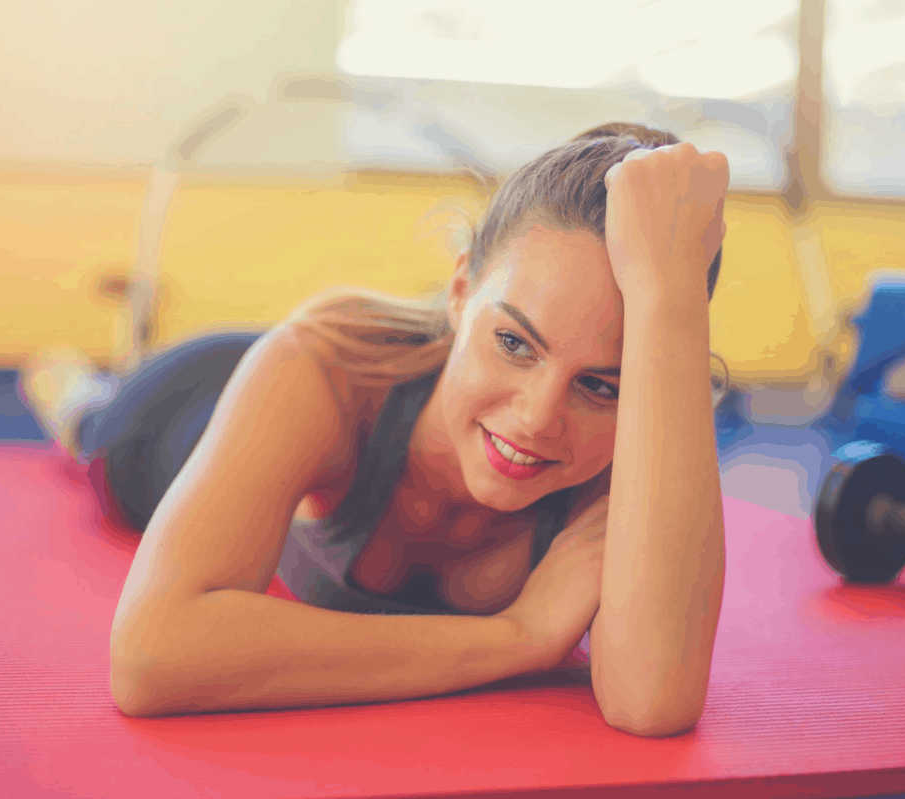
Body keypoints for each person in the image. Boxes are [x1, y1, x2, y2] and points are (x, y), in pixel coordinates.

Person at [105, 122, 729, 737]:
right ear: (460, 292)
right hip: (173, 410)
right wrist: (518, 638)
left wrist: (669, 294)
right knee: (88, 421)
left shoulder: (628, 465)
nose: (539, 418)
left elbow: (652, 702)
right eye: (513, 342)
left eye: (601, 386)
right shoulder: (328, 368)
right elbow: (150, 657)